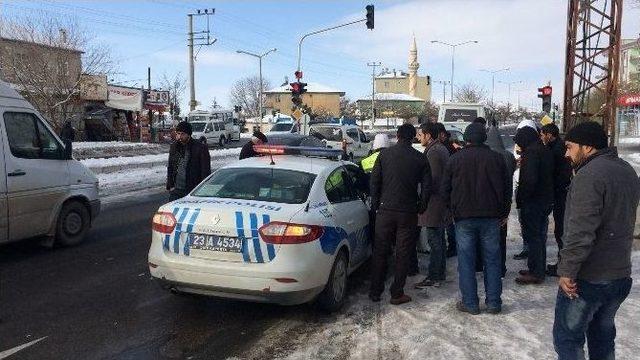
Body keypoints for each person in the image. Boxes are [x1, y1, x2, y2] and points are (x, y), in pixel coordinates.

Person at [553, 121, 639, 359]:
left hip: (589, 278)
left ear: (587, 147)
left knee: (567, 340)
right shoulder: (627, 170)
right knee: (602, 339)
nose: (566, 153)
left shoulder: (589, 175)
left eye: (570, 147)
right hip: (619, 274)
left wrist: (567, 270)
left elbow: (580, 231)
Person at [442, 123, 510, 315]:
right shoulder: (497, 159)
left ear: (467, 139)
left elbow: (444, 190)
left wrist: (452, 210)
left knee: (466, 261)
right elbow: (506, 190)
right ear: (484, 138)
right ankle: (494, 303)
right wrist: (504, 213)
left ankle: (470, 303)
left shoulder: (455, 159)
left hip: (464, 218)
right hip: (491, 218)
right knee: (492, 261)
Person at [369, 124, 432, 305]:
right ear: (413, 138)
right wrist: (422, 205)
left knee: (380, 251)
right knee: (403, 253)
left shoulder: (384, 155)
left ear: (397, 136)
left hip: (385, 211)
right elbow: (427, 186)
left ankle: (375, 291)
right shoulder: (420, 158)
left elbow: (375, 181)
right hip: (408, 212)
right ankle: (397, 293)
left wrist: (376, 204)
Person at [513, 126, 554, 285]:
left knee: (534, 237)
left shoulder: (531, 153)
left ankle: (536, 273)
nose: (518, 146)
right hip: (544, 199)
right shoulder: (543, 150)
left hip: (533, 202)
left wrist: (522, 199)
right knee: (538, 237)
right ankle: (536, 268)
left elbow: (529, 181)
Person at [414, 123, 450, 288]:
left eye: (421, 134)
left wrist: (422, 199)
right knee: (439, 240)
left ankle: (434, 275)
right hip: (439, 202)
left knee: (434, 241)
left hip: (434, 203)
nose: (418, 137)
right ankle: (439, 272)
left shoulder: (434, 152)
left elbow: (432, 180)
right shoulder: (439, 149)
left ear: (428, 135)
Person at [540, 123, 572, 277]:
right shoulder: (556, 146)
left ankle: (563, 266)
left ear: (549, 135)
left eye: (543, 134)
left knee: (561, 231)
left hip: (561, 195)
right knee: (560, 230)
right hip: (560, 194)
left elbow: (561, 174)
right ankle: (562, 264)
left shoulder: (557, 149)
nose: (541, 137)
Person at [485, 125, 516, 277]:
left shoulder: (486, 156)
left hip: (488, 204)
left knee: (488, 240)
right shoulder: (508, 156)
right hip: (504, 201)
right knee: (501, 238)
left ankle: (488, 267)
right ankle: (501, 267)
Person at [166, 121, 212, 201]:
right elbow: (171, 166)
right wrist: (170, 185)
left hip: (192, 190)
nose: (180, 136)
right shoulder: (174, 147)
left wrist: (202, 190)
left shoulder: (200, 148)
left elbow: (205, 171)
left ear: (189, 134)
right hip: (176, 190)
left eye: (183, 134)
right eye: (178, 133)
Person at [435, 123, 458, 257]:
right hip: (445, 187)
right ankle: (451, 245)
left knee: (448, 221)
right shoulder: (446, 146)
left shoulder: (447, 148)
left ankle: (452, 246)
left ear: (442, 134)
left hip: (447, 188)